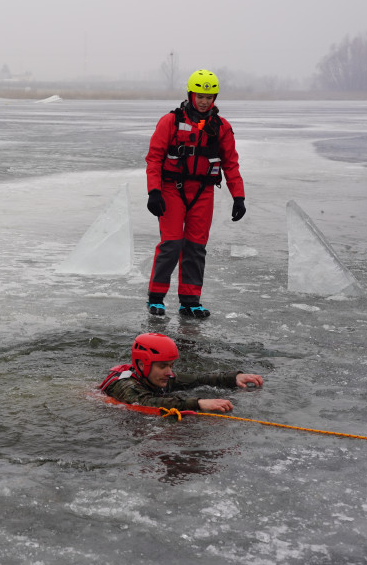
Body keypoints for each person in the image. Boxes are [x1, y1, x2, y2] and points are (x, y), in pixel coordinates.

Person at [145, 69, 245, 318]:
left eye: (210, 97)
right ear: (191, 95)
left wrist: (239, 197)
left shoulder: (220, 127)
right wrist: (153, 192)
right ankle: (156, 297)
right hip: (172, 189)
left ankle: (190, 301)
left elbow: (231, 164)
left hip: (203, 191)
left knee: (196, 246)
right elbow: (154, 158)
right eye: (200, 96)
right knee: (172, 243)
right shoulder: (169, 122)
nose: (204, 101)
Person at [99, 333, 263, 412]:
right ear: (142, 365)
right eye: (163, 366)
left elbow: (197, 379)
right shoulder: (125, 386)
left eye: (171, 366)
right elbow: (148, 403)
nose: (169, 373)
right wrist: (199, 403)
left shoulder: (154, 376)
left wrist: (233, 377)